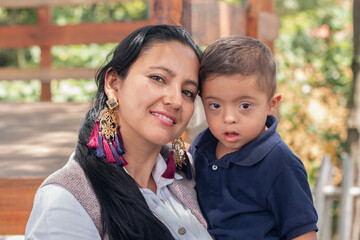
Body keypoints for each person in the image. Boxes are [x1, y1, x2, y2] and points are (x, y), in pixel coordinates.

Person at [25, 25, 214, 240]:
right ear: (113, 84)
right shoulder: (65, 201)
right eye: (158, 78)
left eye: (188, 92)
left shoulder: (190, 172)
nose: (176, 100)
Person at [189, 35, 318, 240]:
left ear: (271, 105)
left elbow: (303, 234)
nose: (229, 118)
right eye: (215, 105)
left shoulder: (280, 163)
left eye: (245, 106)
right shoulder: (200, 147)